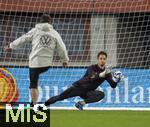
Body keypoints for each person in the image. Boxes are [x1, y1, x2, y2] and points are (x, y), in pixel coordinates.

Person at [4, 14, 69, 107]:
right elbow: (61, 47)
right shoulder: (55, 33)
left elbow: (23, 39)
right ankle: (34, 103)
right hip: (46, 64)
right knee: (36, 82)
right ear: (50, 22)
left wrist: (11, 46)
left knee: (33, 85)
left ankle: (33, 104)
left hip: (35, 63)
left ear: (40, 21)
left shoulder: (35, 31)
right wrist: (64, 60)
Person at [39, 51, 123, 111]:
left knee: (101, 95)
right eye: (101, 58)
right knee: (59, 97)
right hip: (77, 87)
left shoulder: (106, 73)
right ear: (97, 59)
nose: (102, 60)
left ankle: (80, 103)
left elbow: (113, 85)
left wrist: (116, 80)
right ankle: (42, 106)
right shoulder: (92, 68)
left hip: (88, 92)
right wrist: (102, 74)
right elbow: (92, 77)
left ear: (106, 60)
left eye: (104, 59)